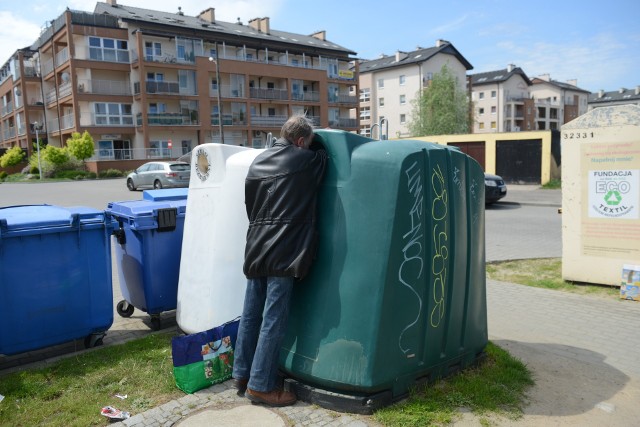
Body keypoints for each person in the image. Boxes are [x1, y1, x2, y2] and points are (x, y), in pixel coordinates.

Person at [232, 115, 327, 407]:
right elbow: (323, 156)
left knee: (250, 315)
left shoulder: (258, 161)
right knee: (274, 318)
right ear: (300, 142)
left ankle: (242, 374)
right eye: (306, 143)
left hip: (256, 246)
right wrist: (318, 142)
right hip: (284, 249)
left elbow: (251, 206)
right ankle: (261, 386)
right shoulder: (303, 160)